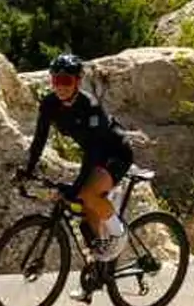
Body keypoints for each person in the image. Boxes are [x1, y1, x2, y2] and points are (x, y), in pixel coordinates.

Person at [20, 53, 133, 271]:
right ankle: (98, 266)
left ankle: (119, 234)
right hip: (95, 155)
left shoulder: (89, 106)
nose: (60, 86)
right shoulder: (49, 103)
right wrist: (28, 169)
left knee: (87, 193)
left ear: (78, 82)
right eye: (56, 81)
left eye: (66, 81)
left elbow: (93, 151)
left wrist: (77, 186)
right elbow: (39, 140)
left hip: (115, 153)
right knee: (85, 209)